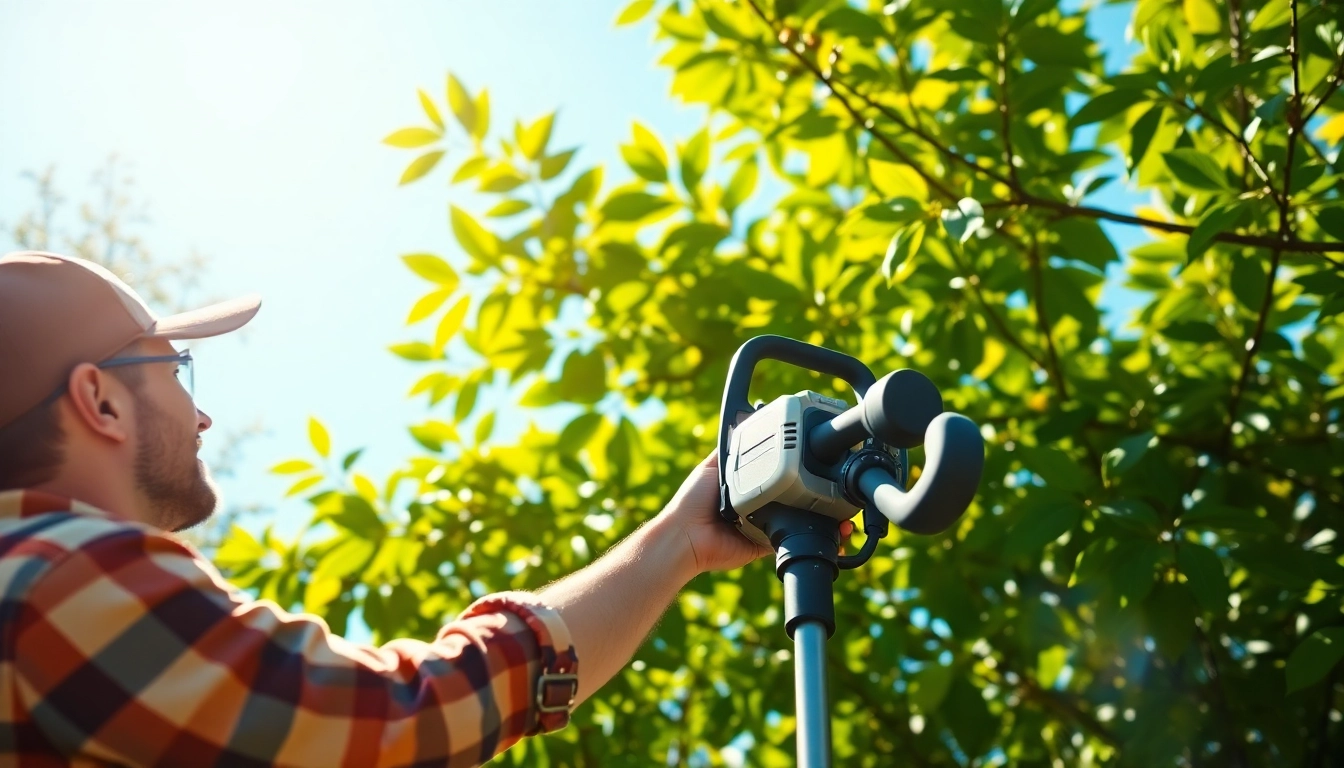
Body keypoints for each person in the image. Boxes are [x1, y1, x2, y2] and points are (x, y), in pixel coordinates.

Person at [0, 250, 780, 767]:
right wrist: (676, 541)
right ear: (99, 401)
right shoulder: (59, 577)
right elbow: (391, 722)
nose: (201, 417)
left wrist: (681, 541)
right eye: (176, 371)